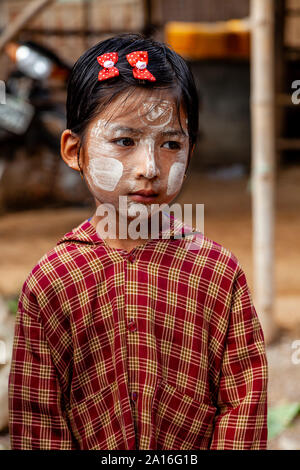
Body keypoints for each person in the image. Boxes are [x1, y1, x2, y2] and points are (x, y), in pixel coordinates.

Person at [8, 33, 268, 450]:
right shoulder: (53, 282)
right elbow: (38, 420)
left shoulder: (217, 273)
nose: (149, 167)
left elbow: (244, 402)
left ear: (191, 152)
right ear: (75, 150)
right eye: (125, 141)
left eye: (170, 144)